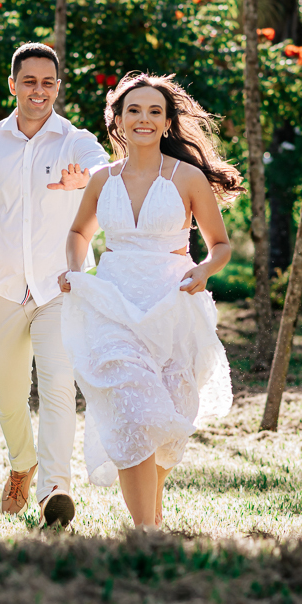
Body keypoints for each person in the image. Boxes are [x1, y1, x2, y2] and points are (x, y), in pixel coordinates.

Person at [57, 73, 239, 528]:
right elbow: (80, 232)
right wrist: (76, 271)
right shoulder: (102, 178)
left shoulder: (188, 177)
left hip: (171, 306)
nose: (144, 118)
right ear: (117, 119)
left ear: (167, 121)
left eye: (154, 111)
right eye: (133, 110)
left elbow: (220, 246)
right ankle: (145, 533)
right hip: (113, 305)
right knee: (130, 412)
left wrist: (204, 270)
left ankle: (152, 516)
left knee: (166, 416)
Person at [0, 43, 109, 528]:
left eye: (49, 82)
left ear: (58, 86)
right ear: (13, 85)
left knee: (58, 387)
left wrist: (86, 180)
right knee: (10, 395)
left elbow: (103, 170)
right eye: (30, 82)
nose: (40, 91)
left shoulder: (75, 141)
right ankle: (22, 462)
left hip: (61, 286)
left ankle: (54, 491)